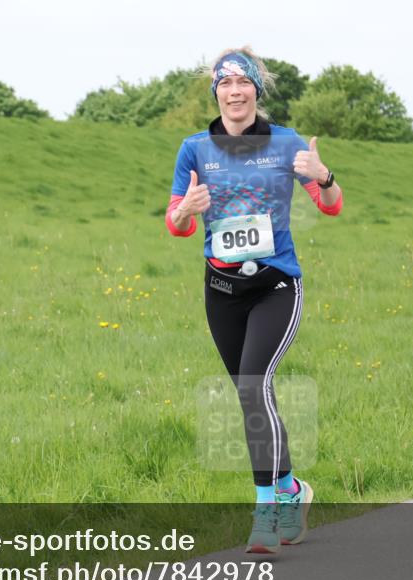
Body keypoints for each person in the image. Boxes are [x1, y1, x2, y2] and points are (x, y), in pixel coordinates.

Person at [165, 47, 344, 554]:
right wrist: (187, 213)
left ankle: (265, 508)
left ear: (256, 93)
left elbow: (331, 208)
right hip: (222, 291)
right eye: (226, 84)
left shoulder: (287, 144)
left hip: (275, 286)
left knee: (252, 384)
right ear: (216, 92)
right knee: (251, 395)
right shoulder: (194, 149)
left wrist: (324, 176)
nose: (235, 92)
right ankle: (292, 489)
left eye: (244, 84)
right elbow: (175, 223)